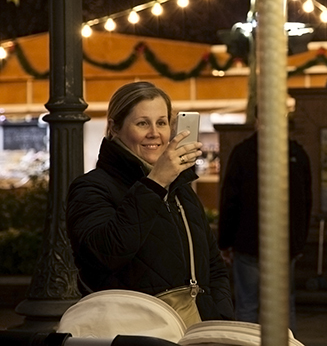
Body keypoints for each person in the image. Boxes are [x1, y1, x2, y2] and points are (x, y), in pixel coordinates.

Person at [67, 81, 234, 321]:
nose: (154, 133)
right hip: (136, 329)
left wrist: (219, 317)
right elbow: (106, 254)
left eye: (162, 122)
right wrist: (155, 182)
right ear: (114, 128)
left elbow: (214, 267)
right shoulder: (91, 187)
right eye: (142, 123)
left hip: (196, 328)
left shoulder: (182, 190)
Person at [218, 117, 313, 333]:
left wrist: (225, 242)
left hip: (247, 242)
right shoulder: (296, 153)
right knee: (284, 306)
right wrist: (299, 242)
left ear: (257, 122)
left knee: (247, 305)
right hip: (284, 245)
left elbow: (229, 200)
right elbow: (305, 202)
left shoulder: (242, 153)